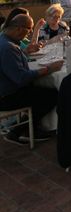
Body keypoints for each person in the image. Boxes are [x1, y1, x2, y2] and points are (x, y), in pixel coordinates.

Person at [0, 14, 62, 145]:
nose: (28, 35)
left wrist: (25, 52)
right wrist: (48, 69)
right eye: (28, 30)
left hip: (6, 91)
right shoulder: (8, 48)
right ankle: (19, 131)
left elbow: (12, 65)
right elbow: (21, 79)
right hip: (7, 97)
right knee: (52, 95)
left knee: (41, 90)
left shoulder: (4, 41)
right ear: (18, 29)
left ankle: (32, 127)